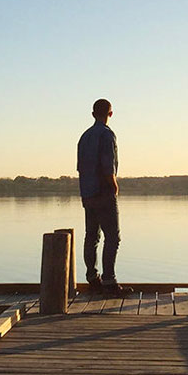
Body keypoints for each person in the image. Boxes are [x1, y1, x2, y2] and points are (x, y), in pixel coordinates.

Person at [77, 99, 133, 297]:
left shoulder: (84, 137)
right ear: (111, 114)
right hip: (104, 192)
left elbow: (80, 167)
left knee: (91, 236)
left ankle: (93, 279)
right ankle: (109, 282)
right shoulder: (107, 135)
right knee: (112, 237)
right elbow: (108, 165)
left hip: (87, 193)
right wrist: (114, 184)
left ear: (93, 114)